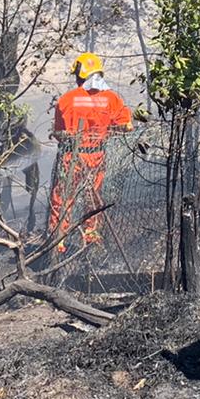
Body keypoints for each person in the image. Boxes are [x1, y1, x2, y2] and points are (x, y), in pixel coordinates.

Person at [47, 53, 134, 251]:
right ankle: (91, 235)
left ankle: (58, 239)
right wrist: (104, 130)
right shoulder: (112, 98)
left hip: (72, 156)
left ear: (80, 75)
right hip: (97, 155)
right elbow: (127, 126)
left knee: (64, 196)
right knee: (93, 196)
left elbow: (61, 134)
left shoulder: (67, 99)